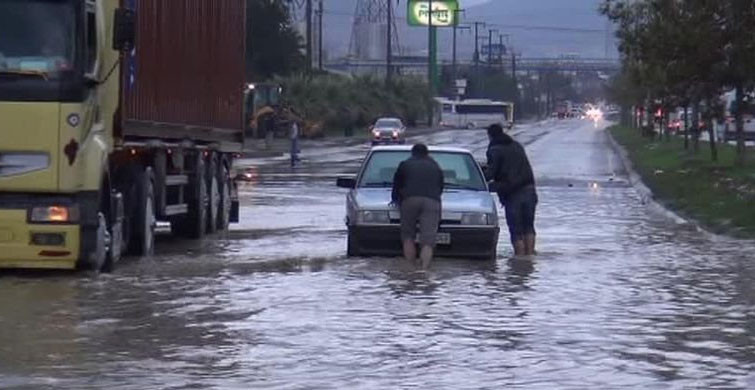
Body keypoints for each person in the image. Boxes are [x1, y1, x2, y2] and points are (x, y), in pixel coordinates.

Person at [486, 124, 538, 257]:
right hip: (530, 190)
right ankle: (529, 259)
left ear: (490, 136)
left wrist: (479, 177)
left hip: (512, 194)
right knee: (529, 227)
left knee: (516, 230)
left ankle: (519, 260)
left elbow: (491, 173)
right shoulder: (517, 146)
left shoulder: (494, 150)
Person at [391, 144, 444, 268]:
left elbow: (397, 184)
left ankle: (411, 269)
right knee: (428, 239)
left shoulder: (405, 164)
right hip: (432, 201)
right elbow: (441, 185)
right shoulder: (435, 166)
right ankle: (424, 270)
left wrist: (396, 199)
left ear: (412, 153)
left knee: (408, 236)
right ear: (427, 153)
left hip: (409, 200)